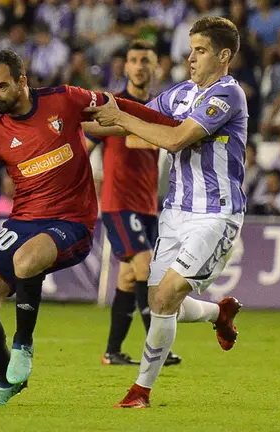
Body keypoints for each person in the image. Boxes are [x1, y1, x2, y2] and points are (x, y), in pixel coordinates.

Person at [0, 50, 180, 407]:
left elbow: (119, 105)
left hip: (72, 220)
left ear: (22, 80)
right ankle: (6, 380)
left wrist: (171, 126)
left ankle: (23, 346)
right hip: (24, 220)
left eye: (0, 86)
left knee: (26, 260)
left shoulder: (64, 99)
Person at [84, 16, 247, 408]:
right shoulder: (181, 94)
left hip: (214, 214)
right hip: (174, 212)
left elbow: (174, 139)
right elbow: (129, 122)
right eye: (190, 50)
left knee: (164, 297)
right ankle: (217, 313)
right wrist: (72, 122)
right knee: (161, 298)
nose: (191, 58)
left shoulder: (226, 96)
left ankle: (140, 390)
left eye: (201, 50)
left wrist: (121, 116)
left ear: (224, 56)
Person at [86, 39, 181, 367]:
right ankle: (158, 348)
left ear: (156, 68)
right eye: (133, 60)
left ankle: (112, 352)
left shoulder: (157, 110)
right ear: (125, 66)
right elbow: (85, 145)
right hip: (118, 203)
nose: (139, 66)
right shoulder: (114, 106)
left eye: (146, 60)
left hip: (147, 206)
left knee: (128, 278)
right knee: (146, 267)